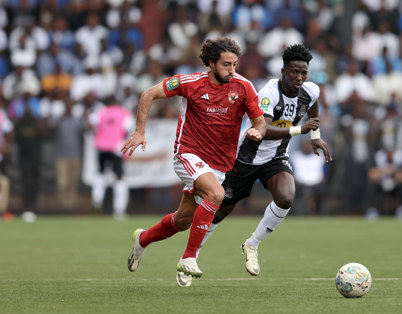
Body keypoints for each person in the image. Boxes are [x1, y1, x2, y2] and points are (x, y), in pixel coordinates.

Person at [179, 44, 332, 287]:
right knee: (219, 211)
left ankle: (252, 244)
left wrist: (315, 137)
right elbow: (262, 129)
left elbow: (313, 109)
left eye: (303, 73)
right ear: (283, 71)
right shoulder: (268, 93)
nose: (299, 78)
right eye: (294, 72)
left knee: (286, 198)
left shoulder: (310, 90)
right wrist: (299, 130)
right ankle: (190, 258)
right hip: (244, 158)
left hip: (275, 157)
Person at [122, 37, 266, 281]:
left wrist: (257, 132)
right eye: (226, 65)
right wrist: (139, 131)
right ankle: (189, 258)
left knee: (182, 221)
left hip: (219, 164)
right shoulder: (190, 82)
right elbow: (148, 94)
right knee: (216, 195)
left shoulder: (244, 87)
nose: (232, 70)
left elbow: (260, 123)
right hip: (187, 154)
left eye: (235, 64)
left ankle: (142, 239)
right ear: (211, 62)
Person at [88, 98, 134, 220]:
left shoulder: (101, 112)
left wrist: (100, 137)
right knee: (119, 177)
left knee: (100, 173)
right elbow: (127, 129)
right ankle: (119, 210)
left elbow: (92, 125)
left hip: (101, 146)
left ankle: (97, 202)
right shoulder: (124, 113)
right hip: (116, 147)